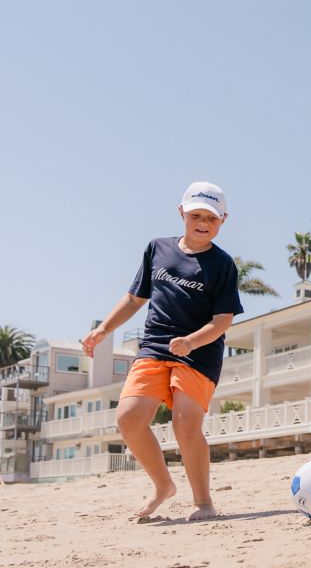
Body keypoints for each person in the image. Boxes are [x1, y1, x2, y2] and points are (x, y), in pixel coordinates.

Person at [80, 182, 243, 521]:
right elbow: (134, 298)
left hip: (199, 352)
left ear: (223, 220)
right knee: (128, 418)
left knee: (185, 422)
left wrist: (192, 342)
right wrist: (103, 329)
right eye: (196, 214)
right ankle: (163, 487)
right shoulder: (157, 248)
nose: (202, 222)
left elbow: (223, 319)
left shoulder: (223, 264)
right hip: (154, 347)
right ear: (181, 212)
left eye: (211, 218)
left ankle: (203, 502)